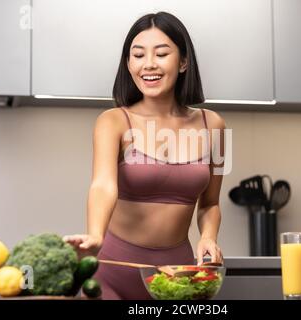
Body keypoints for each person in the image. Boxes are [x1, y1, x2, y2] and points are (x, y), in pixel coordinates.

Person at [64, 11, 226, 300]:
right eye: (138, 55)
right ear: (128, 64)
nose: (148, 64)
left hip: (177, 274)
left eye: (162, 53)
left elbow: (210, 203)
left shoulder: (214, 125)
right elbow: (103, 185)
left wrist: (208, 237)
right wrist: (95, 237)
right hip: (112, 270)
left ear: (184, 61)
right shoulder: (112, 121)